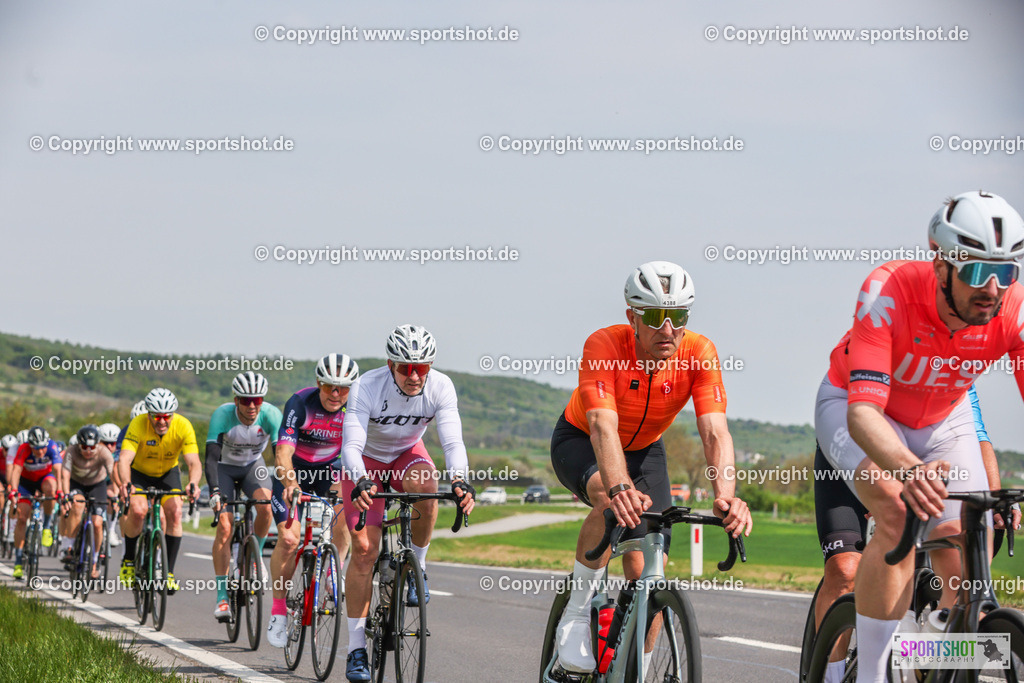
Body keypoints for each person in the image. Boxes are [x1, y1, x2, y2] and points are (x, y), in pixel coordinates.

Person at [814, 190, 1024, 683]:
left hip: (943, 418)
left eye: (1007, 271)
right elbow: (864, 415)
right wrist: (909, 472)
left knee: (969, 539)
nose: (992, 289)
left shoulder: (1013, 308)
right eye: (976, 271)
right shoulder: (888, 290)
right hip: (857, 409)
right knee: (897, 508)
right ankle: (872, 672)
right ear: (941, 264)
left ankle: (939, 655)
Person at [550, 261, 753, 674]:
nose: (667, 329)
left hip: (645, 449)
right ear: (632, 317)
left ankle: (636, 668)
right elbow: (603, 426)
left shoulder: (699, 352)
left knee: (648, 570)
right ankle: (575, 613)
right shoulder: (604, 345)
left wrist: (726, 497)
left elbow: (715, 432)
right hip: (581, 440)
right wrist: (620, 485)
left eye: (677, 316)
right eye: (655, 317)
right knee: (609, 499)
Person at [343, 325, 476, 682]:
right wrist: (360, 480)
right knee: (364, 551)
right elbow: (351, 445)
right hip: (365, 463)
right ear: (390, 364)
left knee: (428, 486)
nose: (415, 376)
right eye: (406, 368)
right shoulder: (367, 386)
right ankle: (356, 649)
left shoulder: (440, 386)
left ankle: (417, 567)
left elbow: (452, 441)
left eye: (422, 367)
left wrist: (460, 480)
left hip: (406, 455)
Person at [266, 354, 358, 648]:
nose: (335, 394)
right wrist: (290, 483)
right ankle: (279, 611)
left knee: (348, 504)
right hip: (294, 471)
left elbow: (360, 450)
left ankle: (333, 570)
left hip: (327, 472)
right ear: (319, 383)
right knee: (290, 539)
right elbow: (282, 451)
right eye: (330, 386)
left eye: (343, 388)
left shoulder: (355, 408)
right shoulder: (301, 403)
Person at [206, 371, 282, 622]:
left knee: (265, 507)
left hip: (253, 466)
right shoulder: (223, 415)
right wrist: (215, 492)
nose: (252, 405)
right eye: (246, 400)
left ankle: (255, 557)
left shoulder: (271, 415)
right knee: (225, 528)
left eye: (257, 400)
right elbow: (210, 457)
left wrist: (285, 486)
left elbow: (281, 455)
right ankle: (222, 597)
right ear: (236, 399)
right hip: (224, 467)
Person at [117, 388, 201, 593]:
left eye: (166, 416)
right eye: (157, 417)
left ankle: (169, 572)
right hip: (139, 474)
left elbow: (193, 462)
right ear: (149, 414)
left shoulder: (183, 426)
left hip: (167, 474)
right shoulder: (138, 424)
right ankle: (128, 559)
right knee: (137, 511)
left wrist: (193, 483)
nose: (162, 421)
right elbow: (125, 459)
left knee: (176, 512)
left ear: (173, 414)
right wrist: (126, 483)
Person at [7, 426, 64, 579]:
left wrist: (60, 491)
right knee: (21, 518)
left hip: (44, 479)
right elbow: (16, 470)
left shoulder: (51, 446)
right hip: (25, 484)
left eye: (43, 448)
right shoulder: (24, 449)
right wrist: (13, 490)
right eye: (36, 449)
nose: (40, 452)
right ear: (30, 445)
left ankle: (46, 527)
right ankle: (18, 561)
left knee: (51, 488)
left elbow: (58, 470)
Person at [59, 425, 114, 578]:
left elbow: (112, 473)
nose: (89, 451)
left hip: (97, 485)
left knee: (97, 523)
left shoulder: (104, 452)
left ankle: (94, 561)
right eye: (85, 447)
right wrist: (66, 494)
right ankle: (68, 546)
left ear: (98, 445)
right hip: (77, 484)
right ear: (79, 445)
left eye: (92, 447)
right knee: (77, 505)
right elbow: (65, 474)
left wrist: (117, 491)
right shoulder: (71, 451)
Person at [97, 423, 123, 546]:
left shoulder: (118, 455)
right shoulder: (93, 452)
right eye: (105, 443)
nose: (109, 446)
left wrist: (116, 496)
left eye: (112, 443)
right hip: (94, 481)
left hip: (108, 482)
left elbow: (116, 477)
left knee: (113, 496)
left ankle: (111, 530)